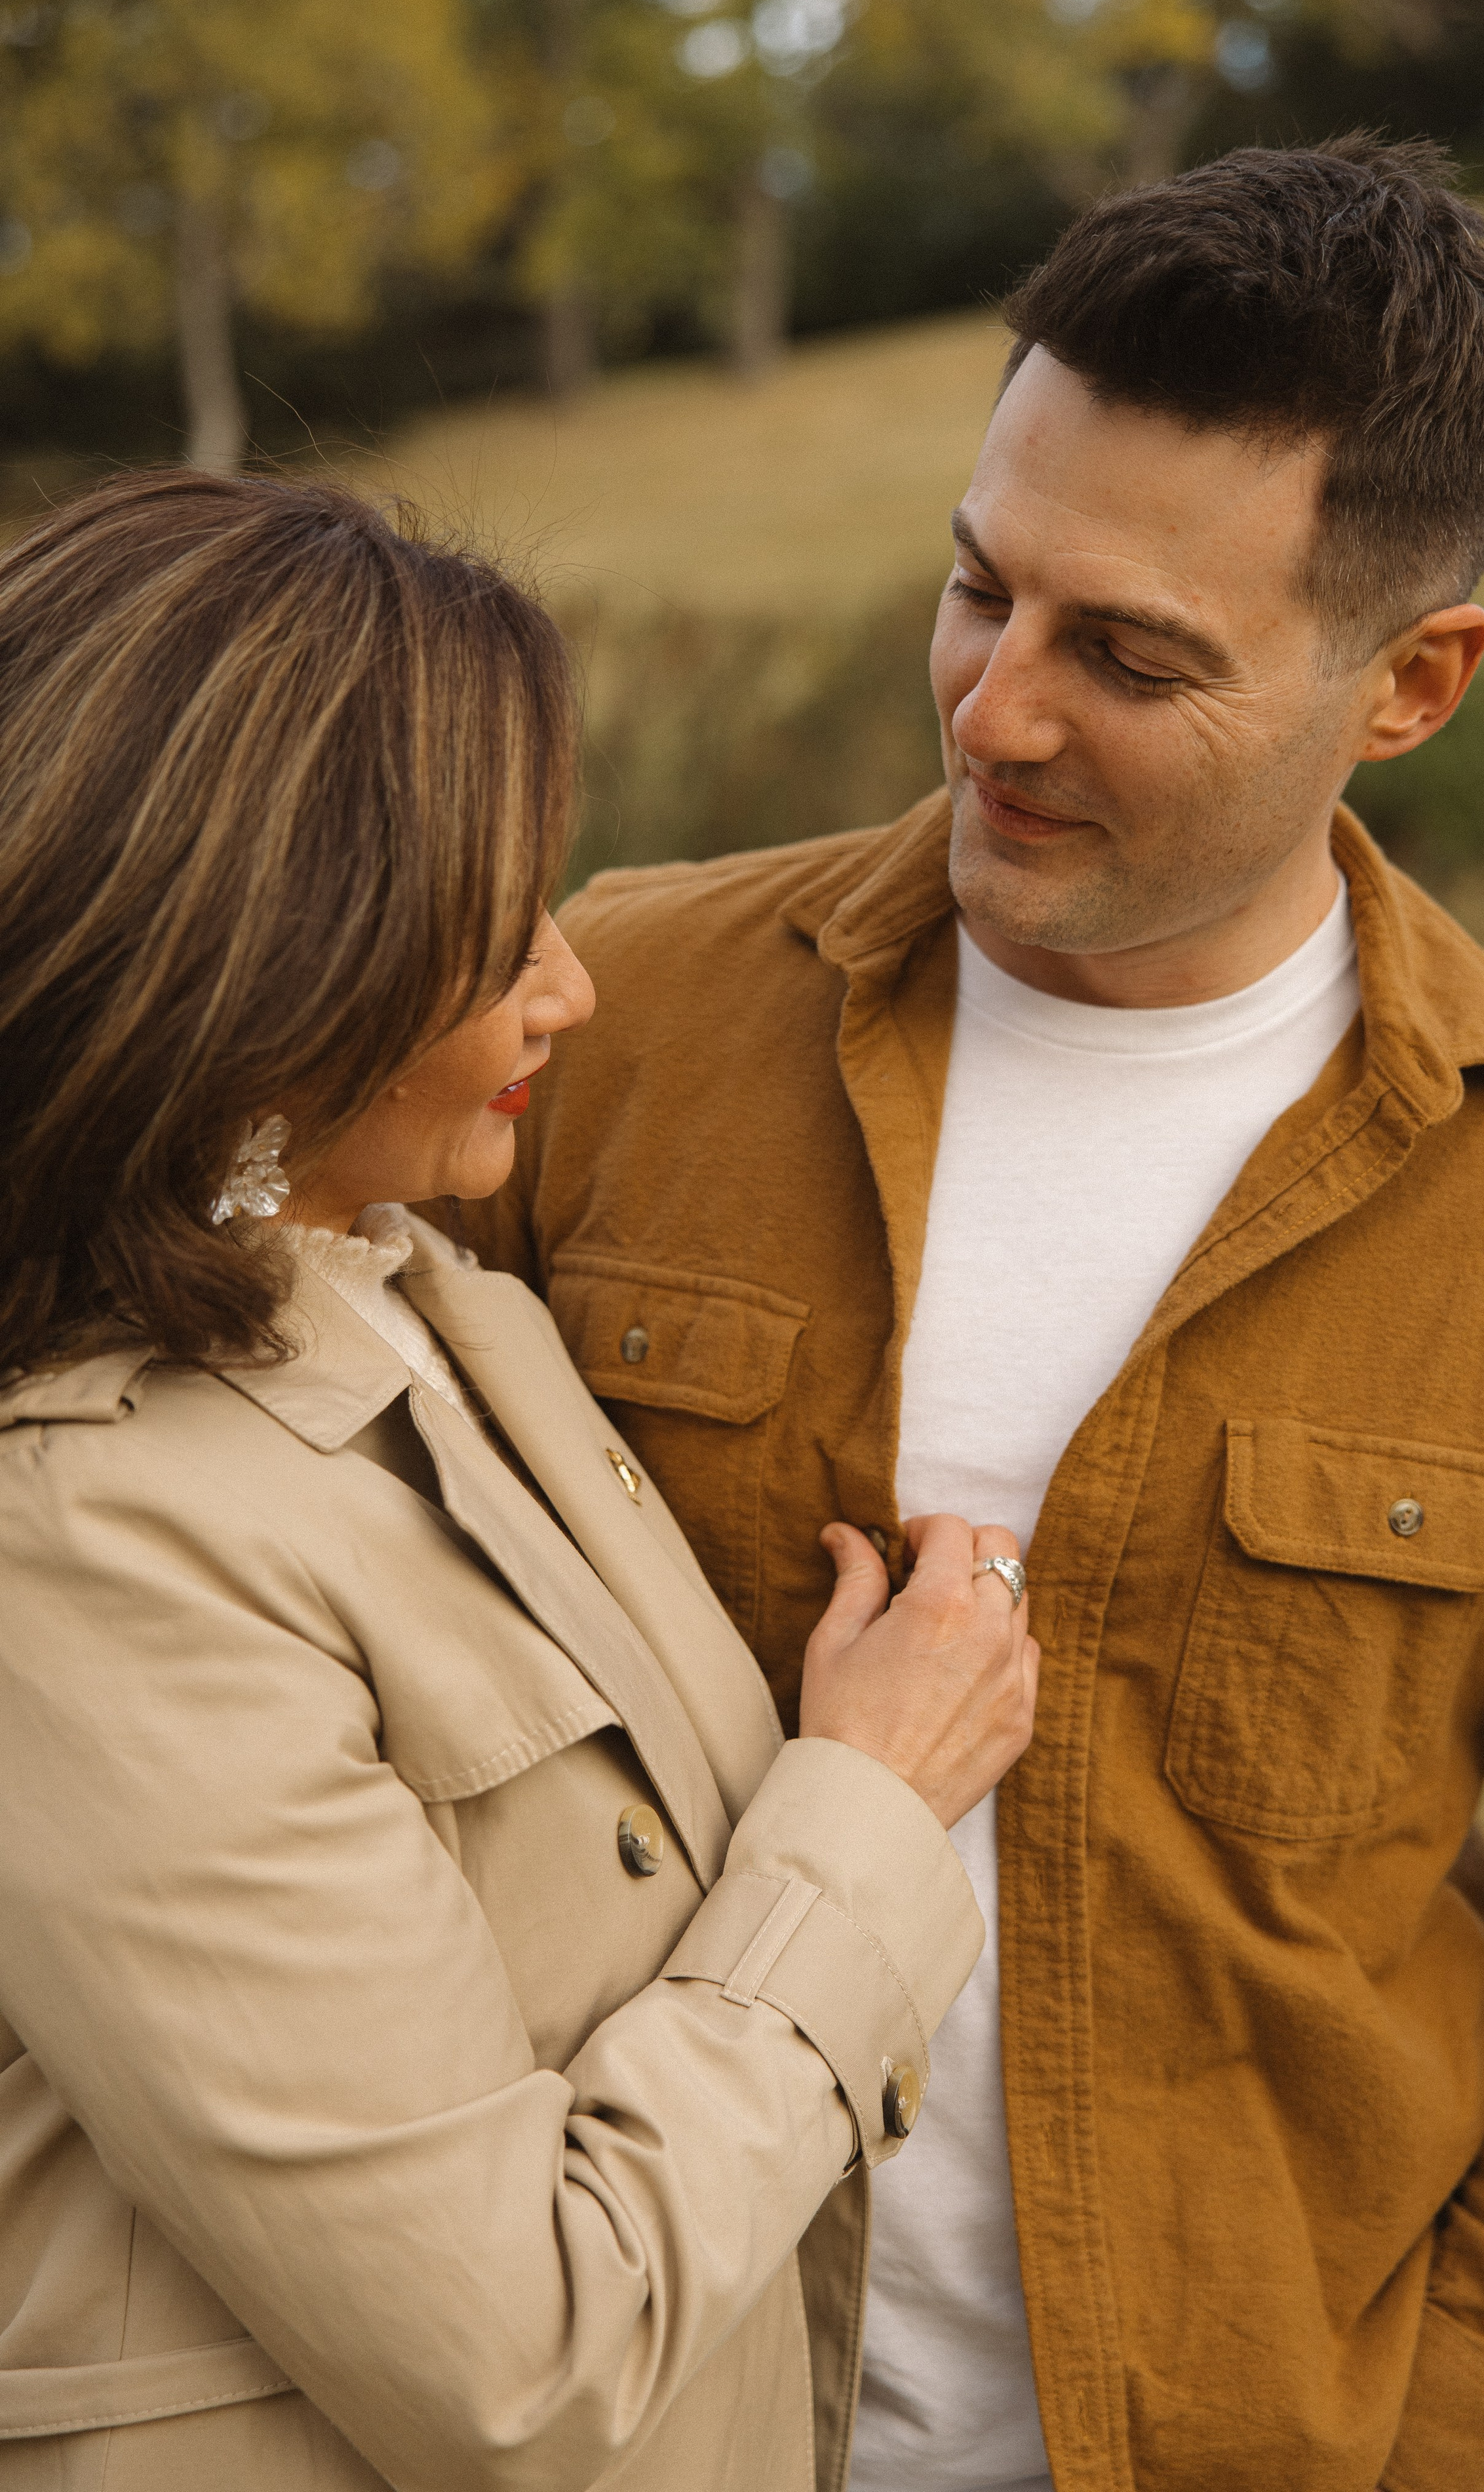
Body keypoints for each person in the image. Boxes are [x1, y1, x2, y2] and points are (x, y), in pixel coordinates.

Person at [456, 133, 1484, 2492]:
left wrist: (1436, 2426)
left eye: (1128, 657)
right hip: (617, 2421)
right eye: (974, 590)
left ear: (1411, 683)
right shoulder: (613, 1013)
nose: (993, 714)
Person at [0, 470, 1040, 2492]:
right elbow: (523, 2358)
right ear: (266, 960)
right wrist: (873, 1808)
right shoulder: (86, 1549)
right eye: (496, 930)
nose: (569, 986)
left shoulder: (432, 1309)